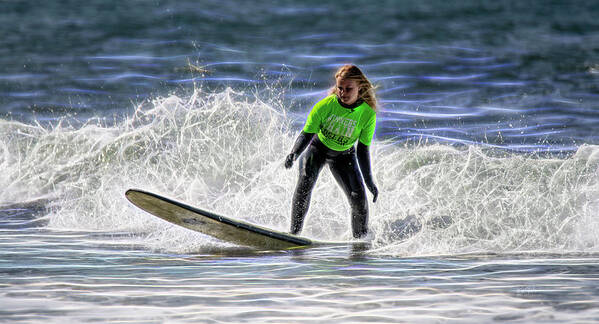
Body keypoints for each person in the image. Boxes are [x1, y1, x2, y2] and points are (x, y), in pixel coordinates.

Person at [284, 64, 379, 239]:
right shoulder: (325, 105)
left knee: (359, 200)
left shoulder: (367, 114)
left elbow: (363, 150)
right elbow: (306, 134)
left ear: (360, 87)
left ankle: (361, 243)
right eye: (340, 88)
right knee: (305, 182)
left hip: (343, 156)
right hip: (317, 150)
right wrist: (294, 153)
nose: (343, 92)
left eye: (348, 88)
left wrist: (369, 180)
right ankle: (293, 234)